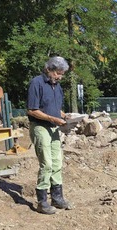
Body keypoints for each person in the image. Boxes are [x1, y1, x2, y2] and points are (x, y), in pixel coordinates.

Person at [27, 56, 72, 215]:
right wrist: (52, 118)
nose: (60, 76)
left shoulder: (57, 87)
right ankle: (42, 201)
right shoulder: (37, 83)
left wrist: (63, 115)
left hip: (53, 128)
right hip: (40, 126)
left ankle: (57, 198)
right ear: (49, 69)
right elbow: (32, 110)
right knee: (46, 163)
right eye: (58, 73)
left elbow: (53, 108)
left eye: (62, 74)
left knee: (57, 162)